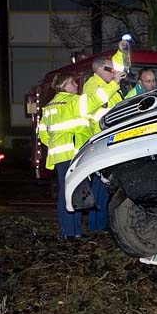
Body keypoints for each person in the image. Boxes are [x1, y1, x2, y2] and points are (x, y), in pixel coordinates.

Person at [37, 70, 125, 239]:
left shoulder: (48, 107)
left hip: (60, 156)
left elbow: (43, 134)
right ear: (64, 86)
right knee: (72, 193)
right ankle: (71, 233)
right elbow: (96, 99)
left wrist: (57, 146)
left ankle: (73, 231)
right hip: (73, 153)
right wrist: (113, 82)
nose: (76, 85)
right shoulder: (73, 102)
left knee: (70, 193)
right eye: (73, 83)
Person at [82, 39, 129, 232]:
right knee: (100, 189)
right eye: (110, 70)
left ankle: (100, 226)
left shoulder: (107, 83)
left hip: (111, 141)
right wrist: (114, 85)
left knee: (106, 188)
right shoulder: (92, 85)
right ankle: (96, 227)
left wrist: (121, 51)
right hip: (100, 143)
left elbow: (117, 65)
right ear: (100, 70)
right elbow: (98, 103)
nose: (115, 72)